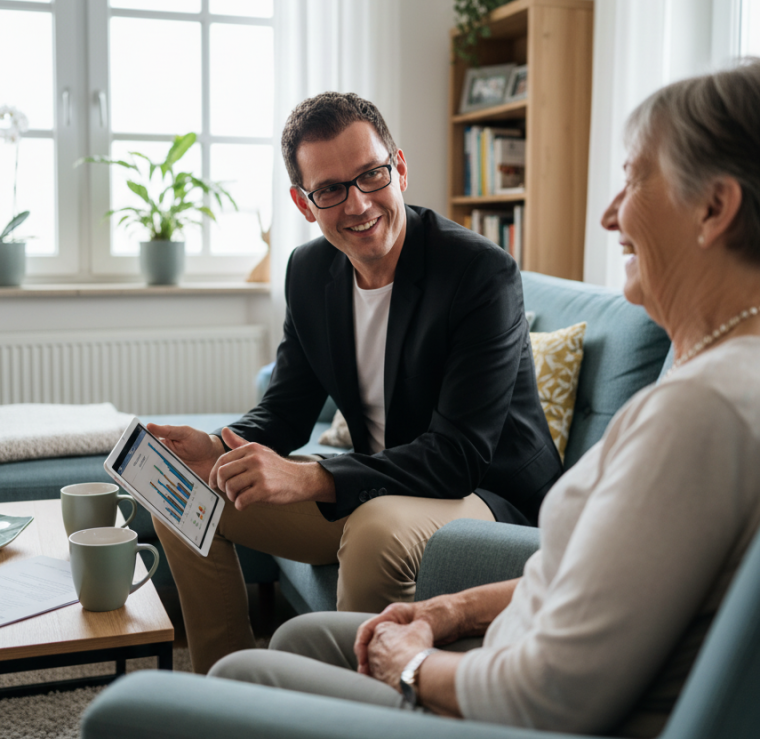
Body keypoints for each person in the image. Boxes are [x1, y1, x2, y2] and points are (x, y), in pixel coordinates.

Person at [206, 62, 760, 738]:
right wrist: (453, 611)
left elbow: (551, 693)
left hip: (475, 509)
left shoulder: (701, 411)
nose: (610, 212)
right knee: (280, 614)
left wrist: (409, 666)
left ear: (715, 207)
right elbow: (608, 585)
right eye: (330, 189)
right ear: (305, 201)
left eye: (635, 177)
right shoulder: (711, 387)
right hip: (476, 599)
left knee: (249, 677)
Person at [148, 92, 562, 674]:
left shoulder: (478, 273)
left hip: (490, 499)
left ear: (399, 166)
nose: (359, 203)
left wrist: (313, 476)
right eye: (331, 189)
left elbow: (459, 455)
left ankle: (352, 711)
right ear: (303, 201)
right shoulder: (310, 271)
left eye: (372, 175)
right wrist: (217, 446)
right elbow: (288, 408)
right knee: (182, 491)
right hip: (381, 484)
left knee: (373, 530)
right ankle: (232, 691)